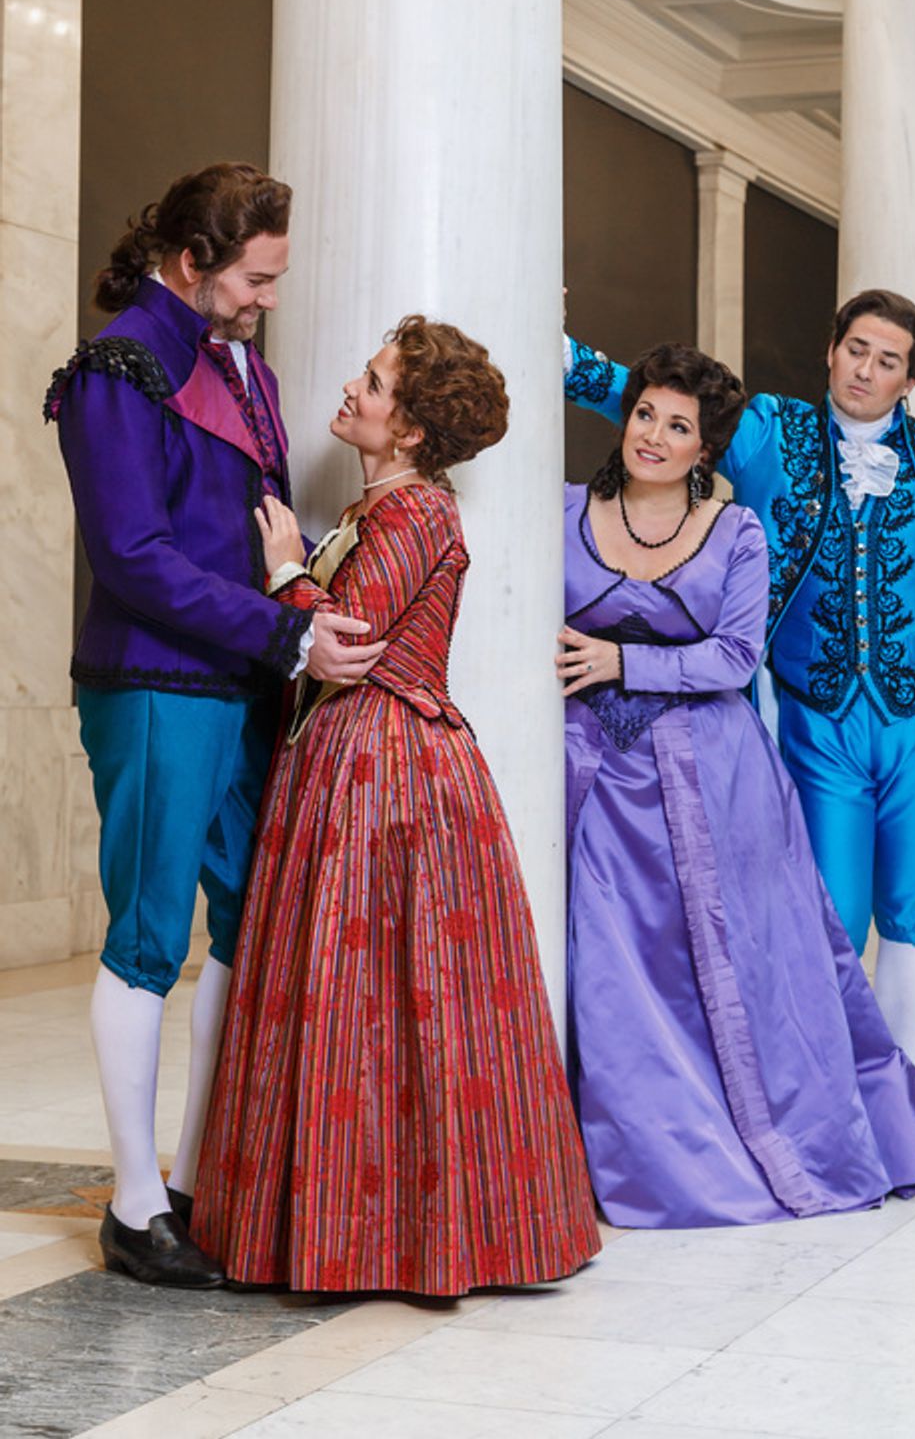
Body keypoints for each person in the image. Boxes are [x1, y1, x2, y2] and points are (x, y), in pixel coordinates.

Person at [193, 316, 600, 1295]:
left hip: (385, 768)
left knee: (372, 996)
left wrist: (287, 570)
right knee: (372, 997)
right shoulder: (384, 509)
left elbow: (353, 640)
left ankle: (385, 1236)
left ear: (409, 428)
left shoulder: (414, 512)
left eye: (373, 383)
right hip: (351, 760)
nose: (354, 390)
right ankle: (363, 1228)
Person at [44, 163, 384, 1289]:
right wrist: (285, 635)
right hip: (152, 683)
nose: (270, 296)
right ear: (192, 261)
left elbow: (257, 531)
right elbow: (132, 560)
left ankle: (199, 1177)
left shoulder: (246, 367)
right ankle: (136, 1208)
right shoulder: (116, 372)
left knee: (245, 921)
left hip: (241, 679)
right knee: (149, 935)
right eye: (256, 275)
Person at [556, 342, 915, 1227]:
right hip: (584, 774)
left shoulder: (738, 531)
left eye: (681, 426)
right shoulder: (558, 513)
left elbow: (735, 656)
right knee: (602, 968)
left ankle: (729, 1140)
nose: (656, 436)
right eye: (646, 415)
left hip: (712, 776)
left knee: (725, 959)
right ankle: (590, 1150)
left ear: (708, 446)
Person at [564, 293, 915, 1067]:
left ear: (909, 382)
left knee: (913, 911)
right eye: (856, 348)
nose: (866, 369)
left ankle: (903, 1087)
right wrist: (559, 355)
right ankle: (839, 1086)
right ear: (831, 350)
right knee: (833, 911)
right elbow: (654, 403)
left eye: (888, 361)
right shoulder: (768, 432)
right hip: (814, 716)